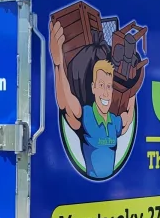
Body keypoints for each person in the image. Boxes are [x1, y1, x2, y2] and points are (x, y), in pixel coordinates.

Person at [50, 20, 133, 180]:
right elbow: (65, 103)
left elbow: (128, 119)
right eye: (101, 85)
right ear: (93, 87)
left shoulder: (114, 122)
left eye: (108, 86)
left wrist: (132, 86)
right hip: (89, 187)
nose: (105, 92)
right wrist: (58, 63)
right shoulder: (86, 115)